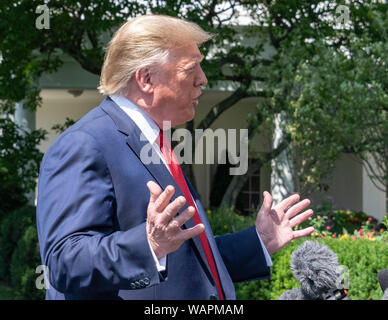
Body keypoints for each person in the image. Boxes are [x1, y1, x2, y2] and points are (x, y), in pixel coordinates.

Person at [36, 14, 314, 300]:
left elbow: (188, 260)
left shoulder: (155, 140)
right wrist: (148, 244)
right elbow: (63, 262)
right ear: (146, 79)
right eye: (191, 68)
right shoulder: (86, 143)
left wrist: (258, 242)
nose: (203, 79)